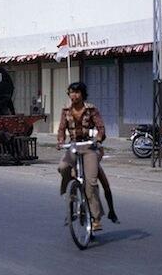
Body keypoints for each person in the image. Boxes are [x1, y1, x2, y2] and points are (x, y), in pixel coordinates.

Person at [57, 81, 116, 232]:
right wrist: (60, 141)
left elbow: (101, 128)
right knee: (62, 167)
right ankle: (71, 190)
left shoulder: (91, 109)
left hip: (89, 147)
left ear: (82, 94)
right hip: (74, 146)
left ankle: (96, 218)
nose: (74, 95)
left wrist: (98, 139)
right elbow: (62, 129)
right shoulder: (65, 110)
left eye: (77, 92)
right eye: (71, 92)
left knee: (91, 182)